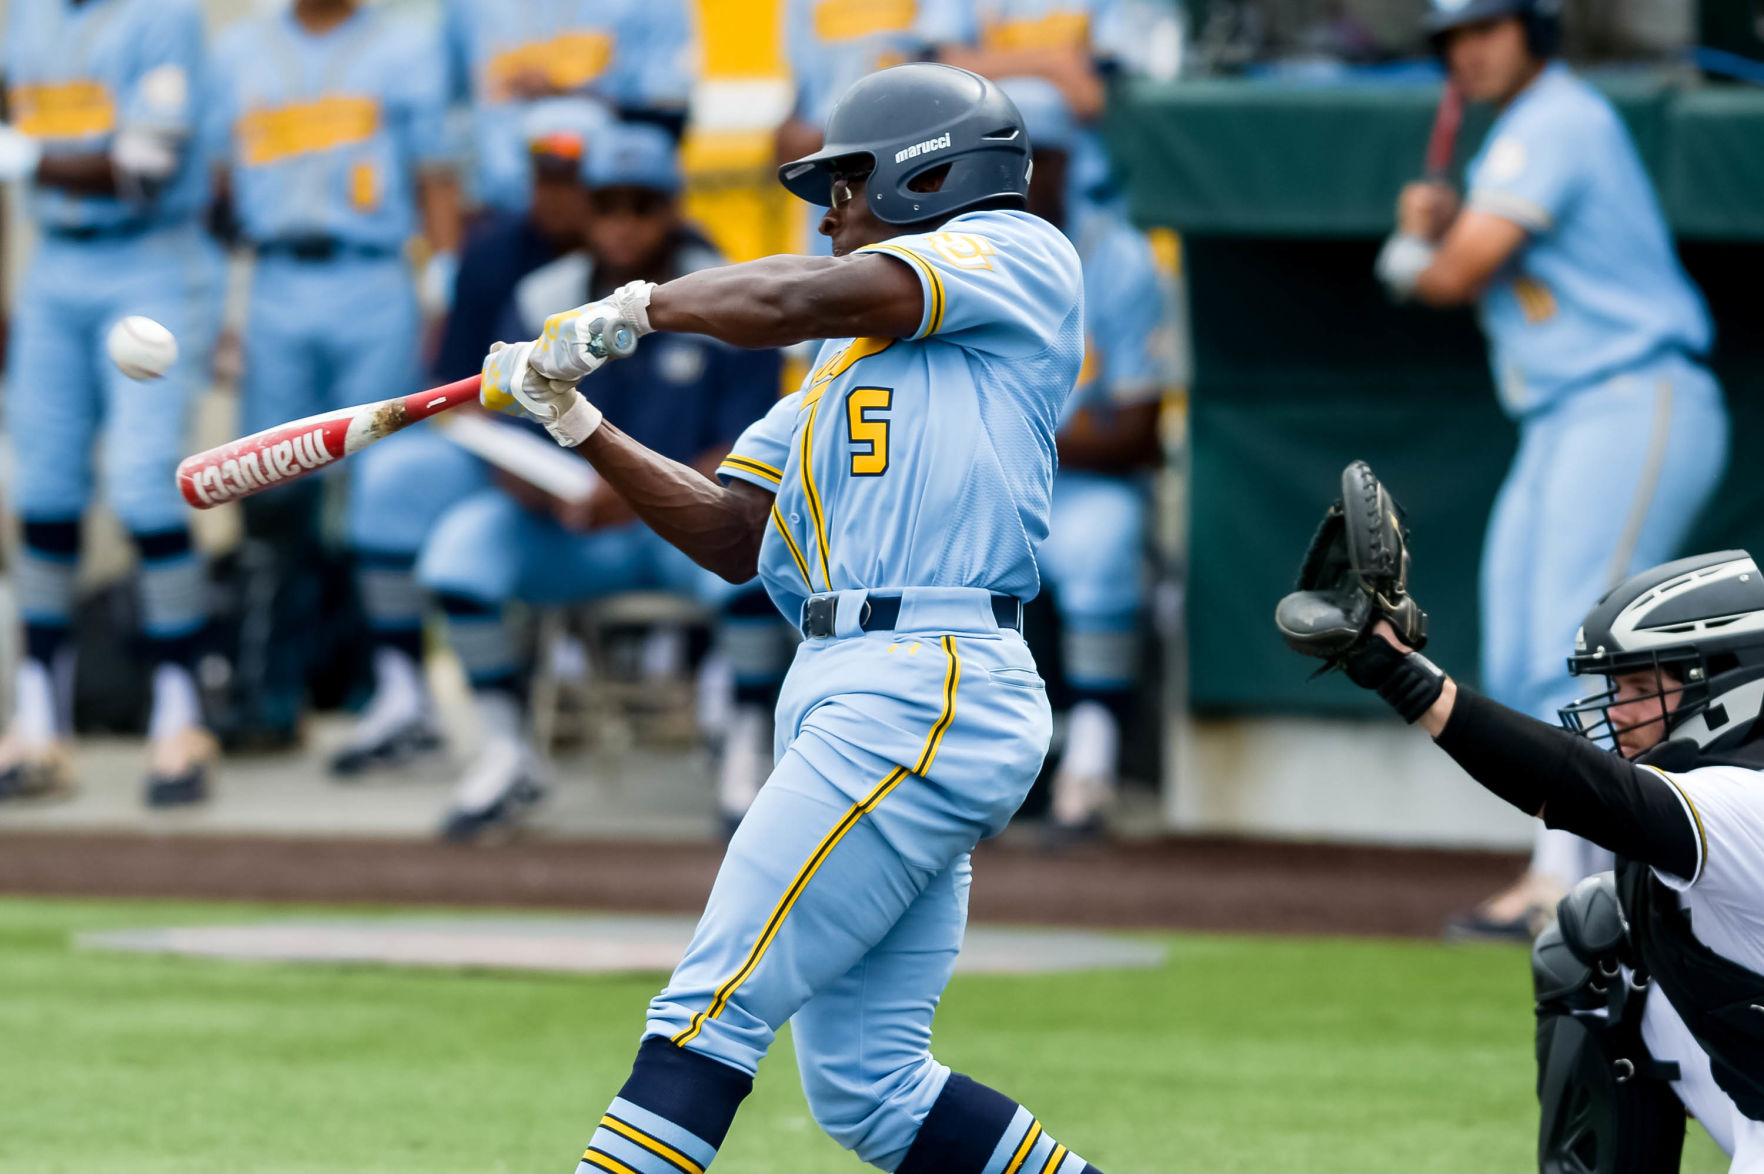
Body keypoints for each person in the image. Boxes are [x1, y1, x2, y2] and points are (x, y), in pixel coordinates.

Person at [476, 63, 1108, 1173]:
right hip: (851, 681)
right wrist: (577, 420)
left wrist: (633, 308)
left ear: (929, 175)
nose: (830, 210)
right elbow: (732, 533)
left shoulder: (1017, 253)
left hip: (929, 674)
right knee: (873, 1091)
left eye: (849, 182)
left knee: (708, 1002)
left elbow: (791, 296)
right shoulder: (841, 356)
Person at [1375, 0, 1729, 940]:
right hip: (1564, 413)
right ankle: (1564, 872)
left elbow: (1448, 276)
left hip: (1634, 393)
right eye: (1456, 38)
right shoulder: (1518, 137)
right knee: (1532, 640)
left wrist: (1417, 240)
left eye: (1488, 28)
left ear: (1534, 29)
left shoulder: (1559, 118)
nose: (1472, 52)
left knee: (1592, 636)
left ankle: (1585, 879)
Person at [1282, 532, 1764, 1170]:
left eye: (1639, 686)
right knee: (1594, 944)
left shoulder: (1741, 798)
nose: (1617, 711)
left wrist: (1404, 675)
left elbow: (1578, 788)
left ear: (1725, 681)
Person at [416, 122, 786, 840]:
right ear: (582, 211)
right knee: (458, 555)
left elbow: (753, 441)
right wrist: (540, 486)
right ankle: (506, 749)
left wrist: (639, 491)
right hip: (574, 528)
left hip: (692, 529)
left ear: (673, 209)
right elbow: (497, 423)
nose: (621, 224)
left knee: (767, 565)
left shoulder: (726, 289)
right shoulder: (540, 298)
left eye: (640, 205)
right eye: (606, 205)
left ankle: (747, 744)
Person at [205, 0, 462, 753]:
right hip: (276, 275)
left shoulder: (404, 46)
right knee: (272, 487)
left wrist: (440, 281)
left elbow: (437, 178)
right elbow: (218, 191)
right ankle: (273, 691)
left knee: (376, 482)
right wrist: (221, 301)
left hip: (373, 274)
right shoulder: (240, 49)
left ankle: (382, 684)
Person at [0, 0, 223, 805]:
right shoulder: (26, 16)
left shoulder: (162, 15)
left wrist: (22, 154)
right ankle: (36, 720)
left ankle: (179, 716)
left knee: (140, 484)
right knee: (43, 491)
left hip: (149, 259)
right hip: (56, 263)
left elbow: (142, 166)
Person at [999, 78, 1168, 838]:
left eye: (1035, 158)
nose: (1020, 177)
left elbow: (1137, 430)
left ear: (1067, 162)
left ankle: (1092, 756)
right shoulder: (954, 257)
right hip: (987, 483)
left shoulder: (1119, 258)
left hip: (1078, 485)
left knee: (1104, 541)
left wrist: (1013, 435)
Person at [442, 0, 694, 221]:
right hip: (503, 209)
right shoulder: (468, 6)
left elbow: (668, 111)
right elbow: (448, 117)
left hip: (616, 217)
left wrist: (565, 91)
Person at [430, 98, 604, 385]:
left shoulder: (640, 257)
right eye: (545, 179)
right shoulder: (487, 259)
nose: (556, 198)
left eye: (570, 181)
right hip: (507, 423)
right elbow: (456, 380)